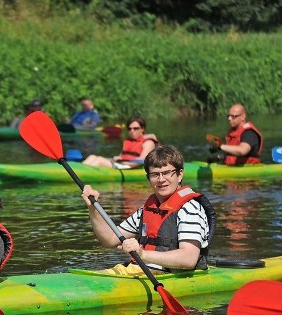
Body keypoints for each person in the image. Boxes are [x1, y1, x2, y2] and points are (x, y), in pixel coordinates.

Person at [81, 145, 214, 273]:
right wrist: (93, 208)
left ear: (179, 175)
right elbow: (109, 239)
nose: (161, 179)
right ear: (148, 178)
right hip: (140, 271)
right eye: (155, 174)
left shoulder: (190, 209)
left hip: (171, 276)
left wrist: (143, 254)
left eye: (167, 173)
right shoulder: (146, 210)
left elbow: (188, 259)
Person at [82, 116, 159, 168]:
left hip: (130, 167)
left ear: (142, 129)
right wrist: (118, 158)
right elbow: (122, 155)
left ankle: (80, 174)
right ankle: (78, 171)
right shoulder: (128, 141)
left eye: (135, 128)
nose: (132, 131)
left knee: (99, 160)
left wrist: (125, 163)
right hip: (121, 164)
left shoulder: (148, 142)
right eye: (129, 129)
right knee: (92, 156)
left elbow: (142, 160)